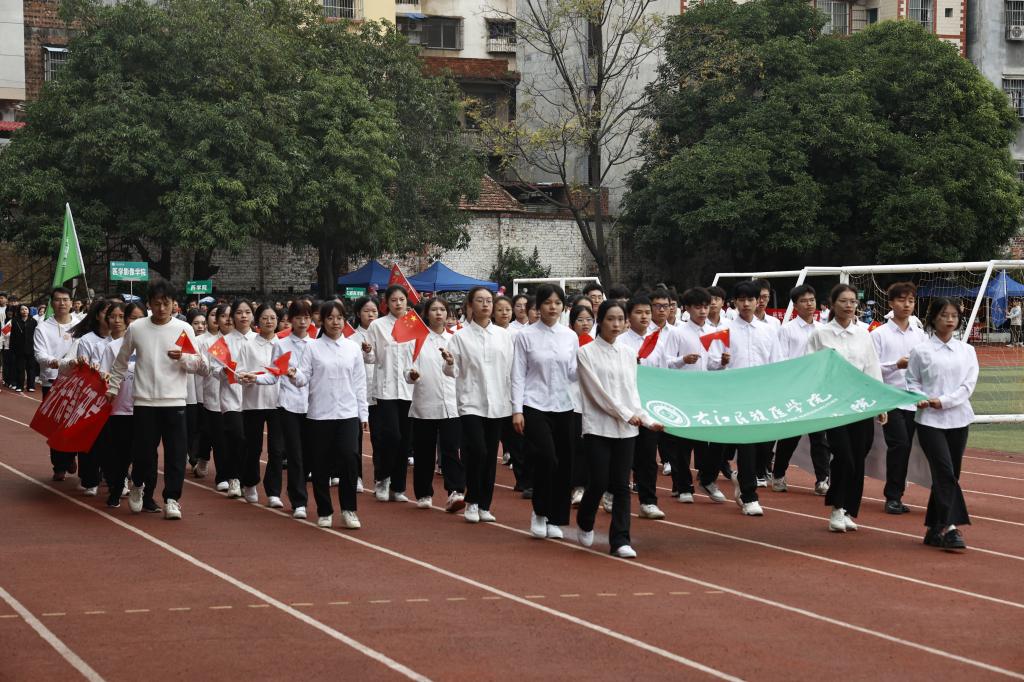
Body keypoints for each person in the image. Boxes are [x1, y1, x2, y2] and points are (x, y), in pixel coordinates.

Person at [107, 283, 202, 520]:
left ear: (174, 305)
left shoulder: (184, 329)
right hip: (145, 401)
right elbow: (121, 361)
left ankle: (172, 499)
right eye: (157, 303)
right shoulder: (137, 328)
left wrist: (183, 358)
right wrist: (113, 387)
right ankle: (138, 484)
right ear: (149, 303)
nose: (161, 308)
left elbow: (199, 364)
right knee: (143, 453)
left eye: (166, 303)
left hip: (175, 400)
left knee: (176, 454)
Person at [576, 300, 664, 558]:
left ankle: (620, 540)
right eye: (610, 319)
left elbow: (632, 392)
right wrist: (627, 414)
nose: (616, 324)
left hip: (626, 430)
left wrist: (646, 419)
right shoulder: (586, 353)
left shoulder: (628, 353)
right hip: (598, 427)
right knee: (599, 481)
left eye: (620, 319)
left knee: (622, 485)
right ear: (600, 321)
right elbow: (596, 393)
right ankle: (585, 519)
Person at [806, 284, 887, 533]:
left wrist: (880, 403)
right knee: (844, 456)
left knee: (859, 457)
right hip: (834, 405)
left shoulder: (864, 335)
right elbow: (811, 368)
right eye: (843, 301)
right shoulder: (820, 334)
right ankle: (837, 507)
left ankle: (848, 509)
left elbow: (872, 368)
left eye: (852, 301)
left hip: (860, 404)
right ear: (832, 304)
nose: (849, 305)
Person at [907, 297, 978, 551]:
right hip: (929, 421)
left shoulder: (967, 351)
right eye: (944, 315)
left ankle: (934, 528)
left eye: (954, 316)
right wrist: (921, 398)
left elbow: (968, 385)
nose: (949, 320)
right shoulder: (921, 351)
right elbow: (912, 381)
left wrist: (944, 401)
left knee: (949, 474)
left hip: (959, 418)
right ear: (933, 318)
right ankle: (950, 527)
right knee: (944, 472)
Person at [291, 301, 368, 530]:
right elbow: (304, 377)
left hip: (347, 413)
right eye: (331, 318)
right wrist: (294, 374)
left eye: (339, 317)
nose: (336, 322)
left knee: (349, 458)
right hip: (320, 414)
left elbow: (360, 383)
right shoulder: (312, 347)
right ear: (322, 321)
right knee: (320, 463)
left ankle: (349, 510)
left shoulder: (352, 348)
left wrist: (363, 414)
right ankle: (324, 510)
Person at [709, 281, 782, 516]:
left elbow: (776, 362)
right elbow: (710, 363)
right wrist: (720, 362)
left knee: (764, 446)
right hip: (736, 397)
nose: (746, 304)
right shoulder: (724, 330)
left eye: (750, 299)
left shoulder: (769, 330)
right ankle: (750, 496)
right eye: (741, 300)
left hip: (762, 396)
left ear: (758, 301)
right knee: (746, 446)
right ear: (735, 303)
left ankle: (743, 478)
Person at [441, 285, 514, 523]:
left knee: (490, 454)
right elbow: (451, 371)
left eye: (489, 301)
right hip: (471, 401)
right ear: (470, 306)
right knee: (477, 450)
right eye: (480, 300)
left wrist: (514, 403)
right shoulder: (460, 337)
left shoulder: (504, 336)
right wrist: (449, 362)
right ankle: (472, 500)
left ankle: (484, 505)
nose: (485, 305)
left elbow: (511, 370)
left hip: (498, 402)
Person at [513, 284, 579, 540]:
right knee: (546, 458)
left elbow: (572, 373)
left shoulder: (570, 336)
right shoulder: (525, 336)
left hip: (564, 405)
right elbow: (518, 374)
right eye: (548, 302)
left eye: (558, 303)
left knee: (564, 463)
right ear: (538, 306)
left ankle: (556, 518)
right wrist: (517, 410)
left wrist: (587, 364)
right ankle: (540, 512)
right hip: (534, 404)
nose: (553, 307)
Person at [656, 287, 728, 504]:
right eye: (698, 307)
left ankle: (707, 478)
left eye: (706, 306)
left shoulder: (713, 332)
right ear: (686, 308)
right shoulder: (678, 332)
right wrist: (683, 360)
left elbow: (711, 363)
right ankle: (684, 486)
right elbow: (666, 361)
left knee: (712, 439)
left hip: (706, 393)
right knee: (683, 444)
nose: (703, 311)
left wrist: (722, 363)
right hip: (683, 393)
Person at [254, 300, 314, 518]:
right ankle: (299, 501)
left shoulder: (316, 345)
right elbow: (273, 375)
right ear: (290, 320)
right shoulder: (281, 345)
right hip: (287, 405)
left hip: (312, 406)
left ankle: (297, 491)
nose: (302, 322)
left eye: (306, 317)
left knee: (309, 455)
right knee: (294, 453)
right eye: (298, 318)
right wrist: (254, 378)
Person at [405, 297, 466, 512]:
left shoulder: (456, 338)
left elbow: (459, 370)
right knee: (424, 451)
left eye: (442, 309)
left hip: (451, 403)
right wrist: (412, 375)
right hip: (425, 402)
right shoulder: (417, 340)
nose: (439, 313)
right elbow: (407, 370)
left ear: (448, 313)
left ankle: (455, 491)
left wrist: (450, 362)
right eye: (434, 310)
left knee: (451, 449)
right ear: (426, 313)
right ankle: (423, 493)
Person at [872, 282, 928, 514]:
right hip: (890, 398)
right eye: (901, 300)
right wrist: (896, 365)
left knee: (908, 448)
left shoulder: (921, 335)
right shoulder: (879, 334)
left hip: (914, 400)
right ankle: (892, 496)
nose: (906, 305)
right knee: (900, 445)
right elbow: (872, 368)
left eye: (911, 300)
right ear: (891, 303)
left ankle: (898, 494)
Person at [772, 285, 830, 495]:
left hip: (816, 390)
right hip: (795, 390)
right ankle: (778, 474)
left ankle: (822, 479)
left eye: (812, 300)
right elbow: (782, 360)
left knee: (819, 437)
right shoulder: (787, 330)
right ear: (795, 305)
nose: (809, 304)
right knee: (790, 437)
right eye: (804, 301)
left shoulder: (823, 329)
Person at [362, 286, 415, 503]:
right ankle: (382, 478)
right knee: (391, 436)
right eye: (393, 300)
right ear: (387, 303)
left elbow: (417, 355)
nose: (398, 303)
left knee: (405, 440)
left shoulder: (413, 324)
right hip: (386, 389)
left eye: (401, 299)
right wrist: (368, 351)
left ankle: (398, 487)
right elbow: (371, 358)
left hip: (409, 388)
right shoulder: (378, 325)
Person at [616, 294, 665, 520]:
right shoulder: (620, 342)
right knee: (624, 456)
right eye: (639, 312)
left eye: (647, 312)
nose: (644, 316)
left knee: (647, 457)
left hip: (649, 407)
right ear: (628, 316)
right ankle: (613, 493)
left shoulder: (658, 342)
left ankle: (648, 502)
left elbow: (663, 374)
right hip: (625, 409)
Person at [57, 298, 113, 495]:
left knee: (114, 439)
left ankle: (116, 476)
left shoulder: (123, 338)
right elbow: (84, 369)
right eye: (107, 313)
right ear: (97, 315)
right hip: (93, 395)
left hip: (116, 396)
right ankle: (90, 478)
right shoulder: (87, 340)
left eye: (117, 315)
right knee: (91, 439)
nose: (112, 318)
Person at [97, 302, 147, 508]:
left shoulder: (151, 344)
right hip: (120, 409)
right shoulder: (114, 347)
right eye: (132, 318)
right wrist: (105, 378)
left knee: (144, 454)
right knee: (121, 453)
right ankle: (116, 490)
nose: (136, 322)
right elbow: (104, 374)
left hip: (146, 406)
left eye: (140, 318)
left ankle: (143, 491)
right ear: (126, 320)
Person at [238, 304, 285, 508]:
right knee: (252, 447)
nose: (269, 321)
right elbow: (238, 373)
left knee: (277, 449)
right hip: (253, 402)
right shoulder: (248, 345)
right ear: (257, 321)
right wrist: (245, 377)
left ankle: (274, 492)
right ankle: (250, 483)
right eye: (265, 318)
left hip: (278, 402)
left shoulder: (283, 345)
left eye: (273, 318)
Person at [212, 299, 257, 500]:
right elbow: (213, 369)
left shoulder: (259, 340)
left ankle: (249, 480)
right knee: (236, 437)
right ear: (233, 317)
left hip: (254, 399)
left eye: (247, 312)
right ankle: (234, 478)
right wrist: (222, 371)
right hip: (231, 397)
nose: (244, 316)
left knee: (251, 442)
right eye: (239, 312)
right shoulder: (223, 342)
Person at [34, 287, 78, 480]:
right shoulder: (43, 328)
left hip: (77, 382)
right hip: (52, 381)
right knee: (55, 425)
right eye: (58, 300)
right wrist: (56, 362)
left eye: (66, 299)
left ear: (71, 302)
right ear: (52, 303)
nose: (62, 303)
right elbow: (40, 354)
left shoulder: (81, 325)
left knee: (74, 423)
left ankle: (71, 455)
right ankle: (59, 465)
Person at [568, 304, 594, 506]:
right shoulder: (567, 343)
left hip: (592, 402)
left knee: (589, 447)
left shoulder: (596, 344)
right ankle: (576, 486)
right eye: (580, 320)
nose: (585, 324)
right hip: (571, 401)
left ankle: (587, 486)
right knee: (575, 446)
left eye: (589, 320)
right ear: (571, 323)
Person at [185, 309, 207, 475]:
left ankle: (197, 458)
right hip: (190, 393)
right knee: (191, 428)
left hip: (205, 393)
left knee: (202, 429)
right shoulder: (186, 341)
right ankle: (192, 457)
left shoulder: (209, 341)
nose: (200, 326)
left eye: (202, 323)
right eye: (196, 323)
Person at [8, 304, 37, 392]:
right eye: (22, 309)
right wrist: (11, 348)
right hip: (19, 349)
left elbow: (37, 335)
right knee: (20, 368)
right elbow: (12, 336)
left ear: (28, 311)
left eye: (26, 309)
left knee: (31, 368)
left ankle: (31, 386)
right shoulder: (15, 321)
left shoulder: (33, 321)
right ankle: (19, 386)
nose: (24, 311)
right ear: (19, 311)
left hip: (31, 348)